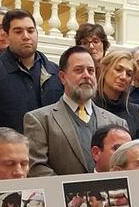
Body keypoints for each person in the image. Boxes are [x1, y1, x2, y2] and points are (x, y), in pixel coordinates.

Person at [25, 45, 128, 177]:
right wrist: (74, 193)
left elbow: (126, 166)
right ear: (62, 77)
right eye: (79, 70)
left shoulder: (118, 123)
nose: (86, 75)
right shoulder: (39, 120)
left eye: (91, 71)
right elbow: (36, 168)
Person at [0, 9, 63, 145]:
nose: (26, 36)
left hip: (51, 160)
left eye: (30, 30)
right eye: (18, 31)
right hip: (9, 160)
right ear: (7, 35)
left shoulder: (55, 72)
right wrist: (3, 155)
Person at [95, 50, 139, 131]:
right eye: (118, 70)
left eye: (129, 74)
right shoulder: (88, 106)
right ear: (104, 69)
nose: (123, 77)